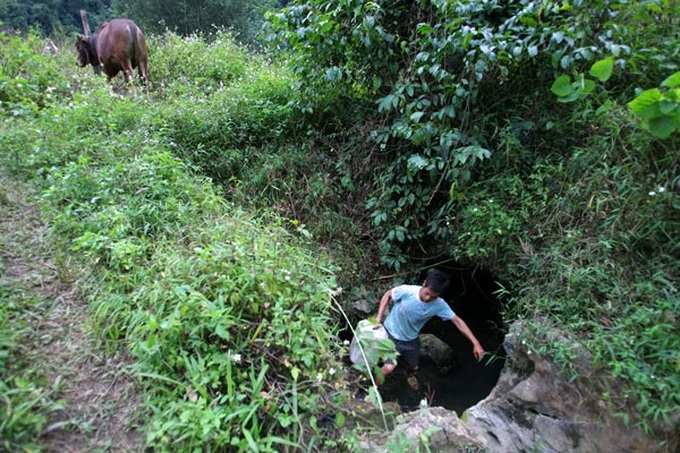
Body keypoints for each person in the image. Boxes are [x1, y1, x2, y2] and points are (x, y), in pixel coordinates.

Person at [374, 269, 485, 380]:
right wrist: (378, 318)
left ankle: (405, 373)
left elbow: (457, 321)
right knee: (389, 367)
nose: (428, 298)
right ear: (424, 283)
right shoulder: (408, 291)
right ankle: (371, 389)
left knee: (415, 367)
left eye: (433, 297)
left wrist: (476, 343)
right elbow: (388, 294)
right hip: (390, 333)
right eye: (427, 293)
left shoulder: (439, 305)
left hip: (409, 339)